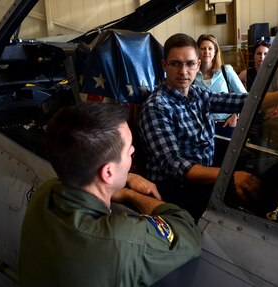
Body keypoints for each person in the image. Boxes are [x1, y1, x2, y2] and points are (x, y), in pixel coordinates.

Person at [19, 102, 202, 287]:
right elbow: (188, 230)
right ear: (107, 173)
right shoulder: (120, 239)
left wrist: (119, 185)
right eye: (128, 149)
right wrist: (134, 196)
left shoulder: (44, 193)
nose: (133, 150)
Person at [138, 33, 260, 221]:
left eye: (190, 64)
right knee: (239, 207)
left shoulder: (197, 94)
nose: (183, 71)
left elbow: (244, 101)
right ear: (164, 66)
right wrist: (229, 175)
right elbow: (175, 164)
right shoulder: (156, 106)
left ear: (198, 65)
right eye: (176, 64)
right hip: (174, 191)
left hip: (201, 179)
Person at [194, 34, 247, 138]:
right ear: (197, 51)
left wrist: (236, 115)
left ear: (215, 52)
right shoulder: (192, 75)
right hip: (201, 128)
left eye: (210, 48)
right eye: (203, 48)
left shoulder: (226, 71)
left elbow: (244, 96)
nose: (206, 52)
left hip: (226, 125)